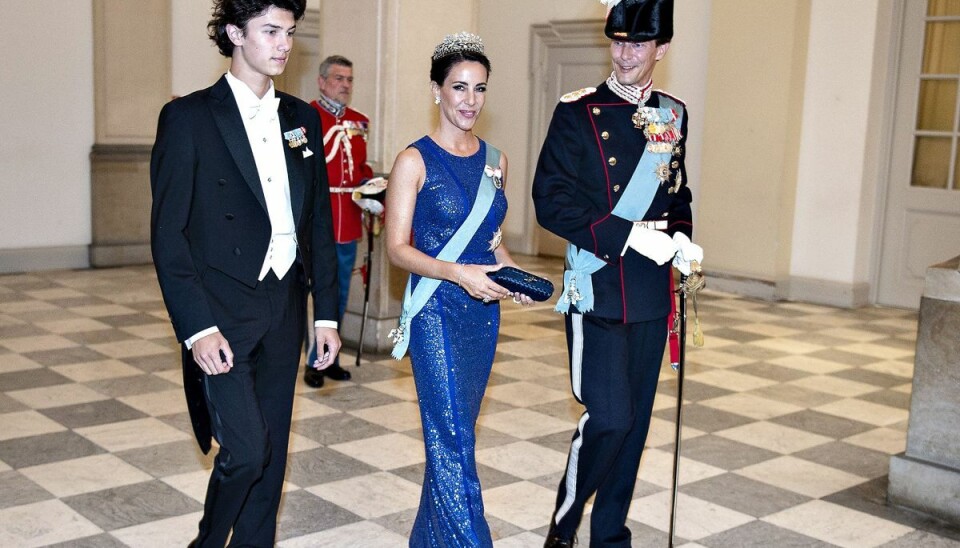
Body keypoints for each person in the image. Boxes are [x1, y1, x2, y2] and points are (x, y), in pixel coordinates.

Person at [149, 0, 341, 545]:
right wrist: (196, 328)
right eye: (270, 31)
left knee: (272, 456)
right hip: (221, 312)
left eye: (290, 32)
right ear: (235, 32)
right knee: (246, 448)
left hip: (284, 305)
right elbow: (168, 236)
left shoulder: (302, 118)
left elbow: (318, 225)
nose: (284, 43)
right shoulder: (188, 117)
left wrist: (325, 313)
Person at [531, 0, 704, 546]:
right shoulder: (578, 111)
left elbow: (677, 190)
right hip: (598, 285)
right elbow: (550, 201)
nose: (625, 53)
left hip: (652, 293)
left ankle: (610, 536)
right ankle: (564, 524)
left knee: (633, 429)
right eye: (618, 41)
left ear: (662, 49)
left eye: (638, 44)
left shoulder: (673, 114)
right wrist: (629, 235)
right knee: (608, 416)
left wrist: (679, 238)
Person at [384, 32, 533, 547]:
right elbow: (397, 249)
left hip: (482, 316)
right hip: (436, 312)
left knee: (455, 438)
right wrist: (458, 274)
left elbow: (492, 243)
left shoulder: (497, 161)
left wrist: (514, 277)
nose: (470, 100)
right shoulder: (413, 161)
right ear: (436, 90)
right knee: (450, 441)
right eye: (459, 87)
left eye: (480, 89)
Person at [302, 55, 375, 387]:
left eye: (349, 79)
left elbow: (361, 171)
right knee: (312, 293)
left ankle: (329, 356)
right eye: (338, 78)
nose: (345, 85)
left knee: (340, 292)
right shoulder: (305, 117)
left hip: (348, 219)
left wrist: (375, 195)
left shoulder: (359, 121)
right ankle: (311, 361)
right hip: (317, 218)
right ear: (321, 82)